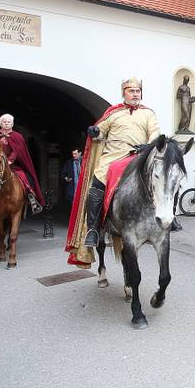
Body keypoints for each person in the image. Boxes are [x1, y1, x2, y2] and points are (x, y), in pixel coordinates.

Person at [65, 78, 160, 267]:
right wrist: (95, 132)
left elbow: (155, 132)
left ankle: (165, 218)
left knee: (162, 178)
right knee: (97, 182)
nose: (135, 94)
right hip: (113, 157)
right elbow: (101, 132)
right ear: (124, 93)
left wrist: (149, 146)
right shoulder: (113, 113)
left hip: (138, 156)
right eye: (131, 91)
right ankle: (93, 229)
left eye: (138, 91)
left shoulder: (149, 113)